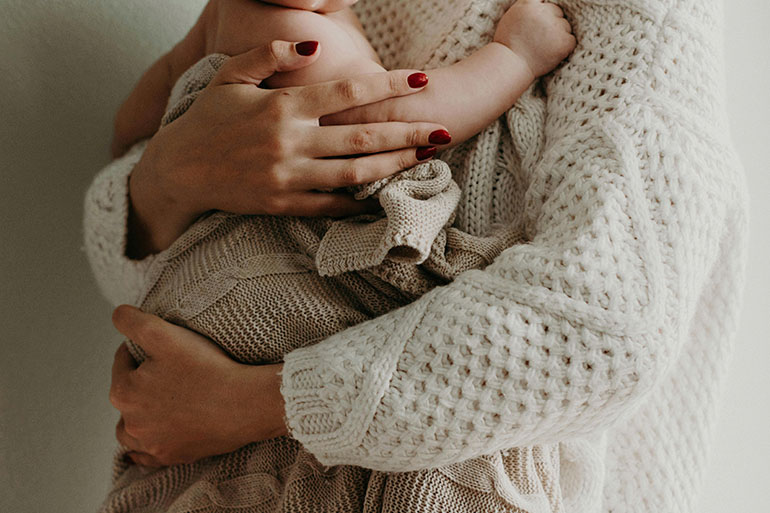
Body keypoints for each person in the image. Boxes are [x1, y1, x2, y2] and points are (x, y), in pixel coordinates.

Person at [85, 0, 749, 511]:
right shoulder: (296, 20)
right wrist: (172, 173)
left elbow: (607, 327)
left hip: (386, 449)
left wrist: (244, 403)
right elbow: (138, 262)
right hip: (232, 402)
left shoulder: (646, 25)